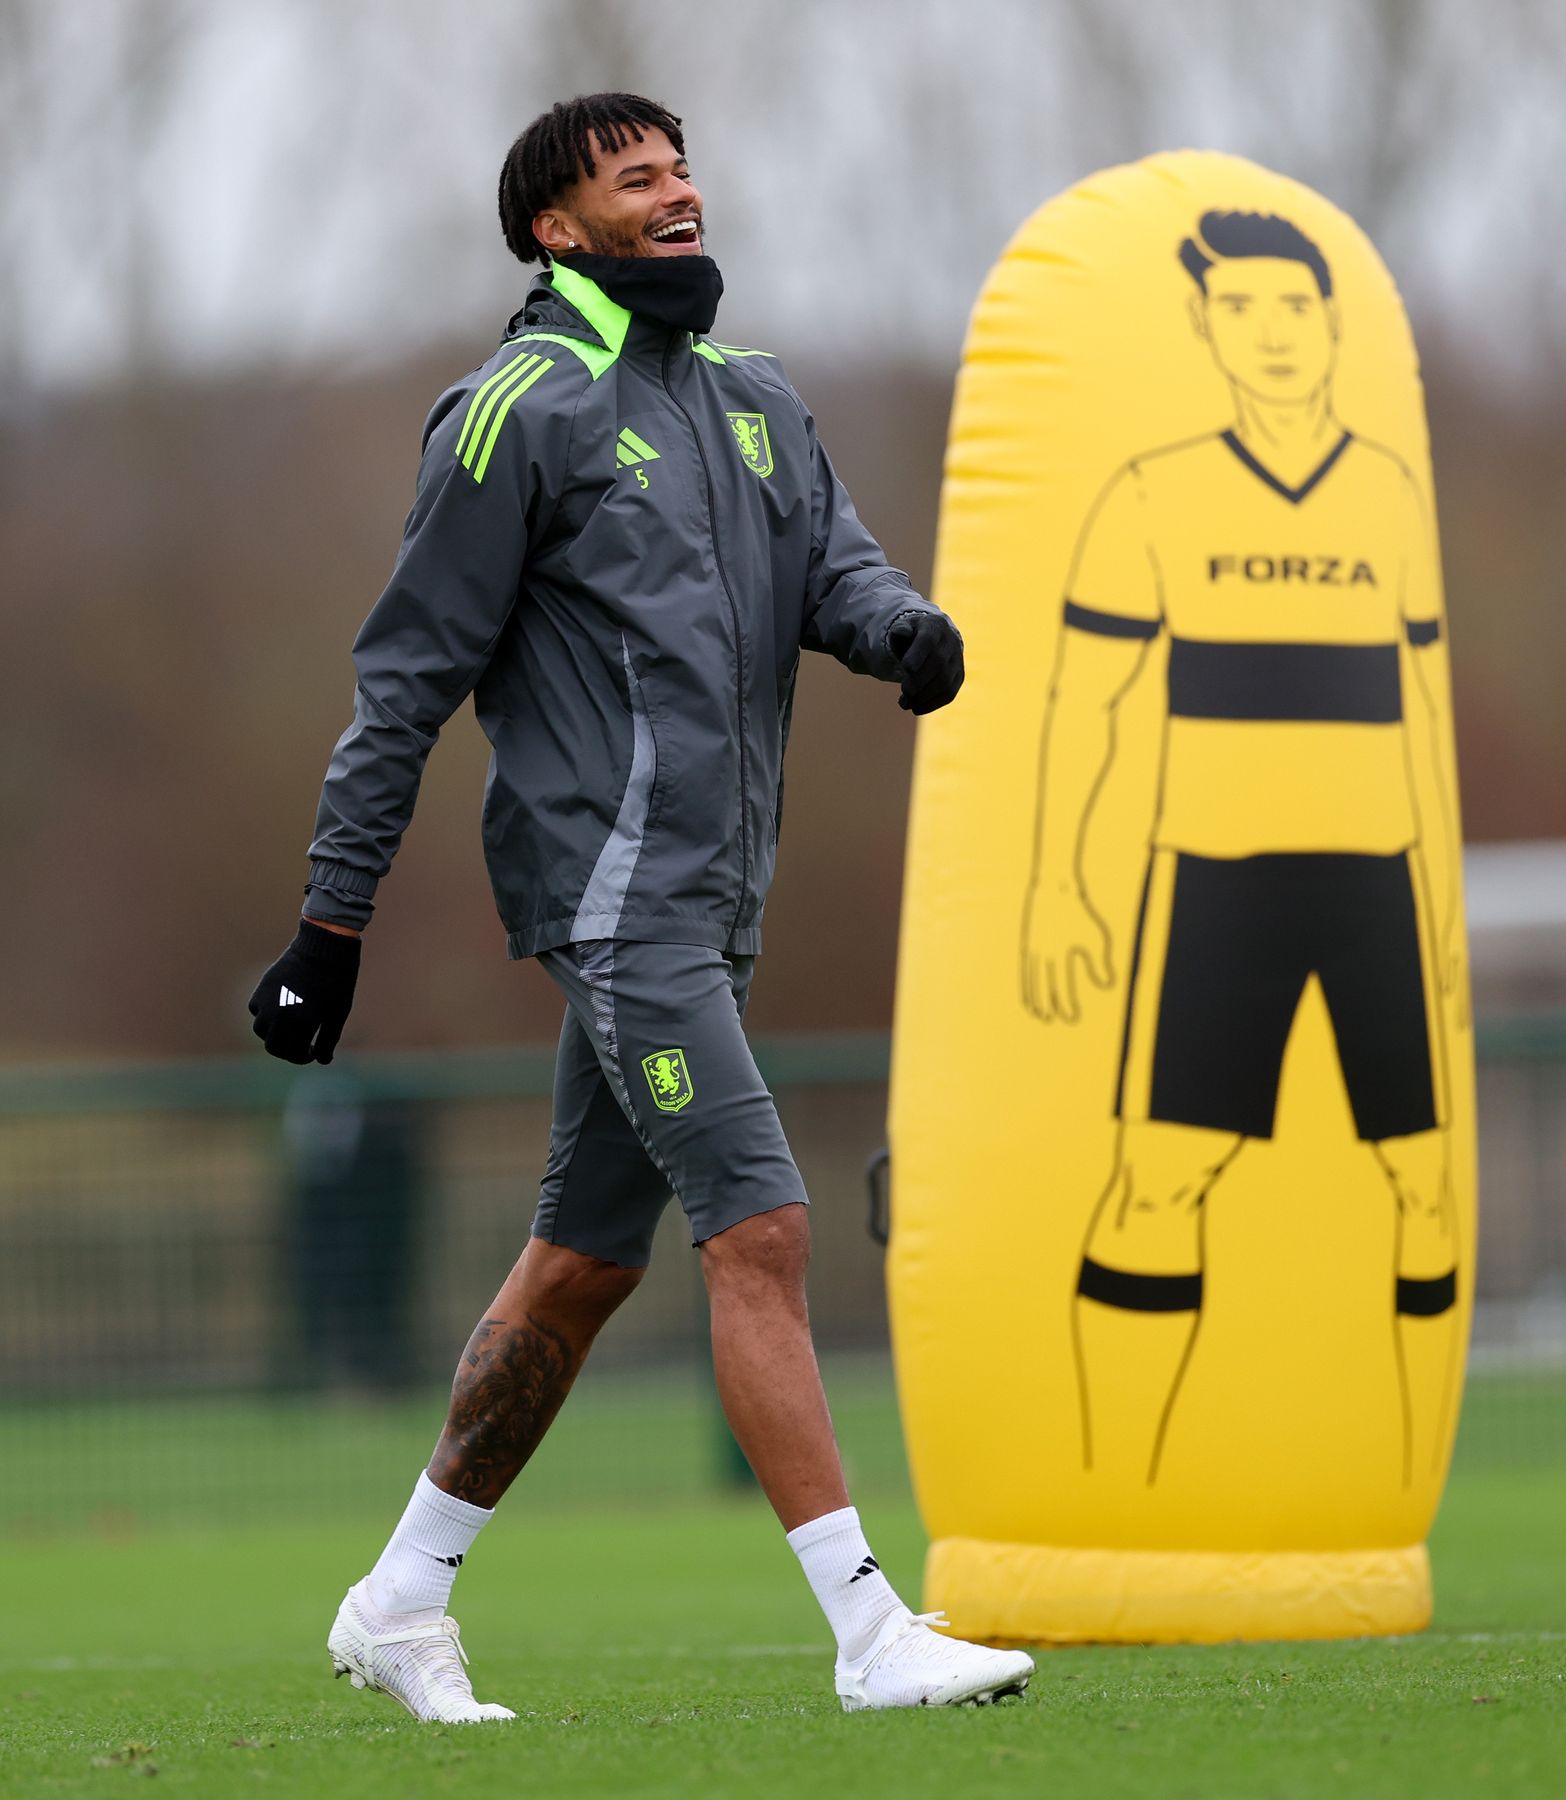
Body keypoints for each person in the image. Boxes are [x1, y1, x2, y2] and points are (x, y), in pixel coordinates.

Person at [247, 91, 1031, 1721]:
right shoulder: (512, 411)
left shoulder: (755, 397)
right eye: (634, 177)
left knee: (576, 1268)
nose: (677, 192)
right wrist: (332, 927)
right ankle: (869, 1629)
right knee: (758, 1227)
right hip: (610, 895)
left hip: (710, 896)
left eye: (679, 168)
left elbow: (835, 571)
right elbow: (402, 685)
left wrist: (903, 635)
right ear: (555, 227)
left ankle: (399, 1600)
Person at [1020, 210, 1462, 1493]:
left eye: (1292, 307)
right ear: (1206, 330)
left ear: (1329, 322)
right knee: (1158, 1177)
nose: (1269, 333)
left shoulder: (1384, 489)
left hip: (1375, 880)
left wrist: (1440, 900)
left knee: (1422, 1184)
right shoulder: (1152, 492)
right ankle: (1118, 1488)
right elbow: (1085, 704)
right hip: (1214, 884)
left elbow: (1424, 705)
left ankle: (1390, 1483)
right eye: (1240, 310)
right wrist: (1055, 883)